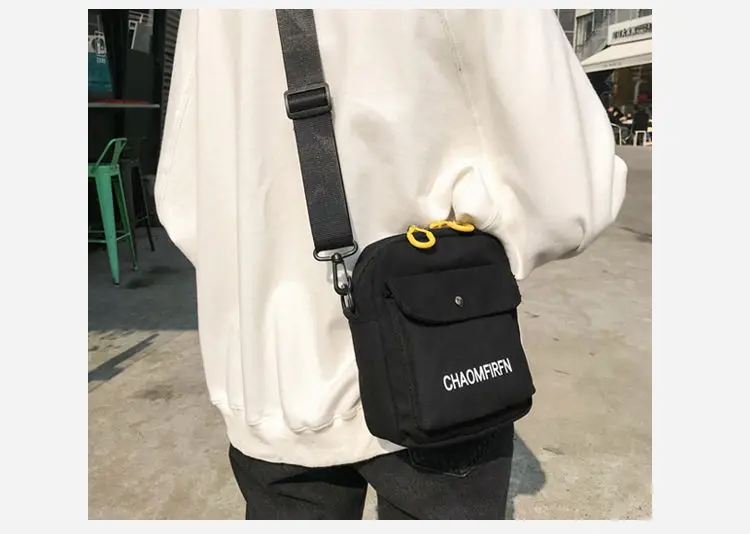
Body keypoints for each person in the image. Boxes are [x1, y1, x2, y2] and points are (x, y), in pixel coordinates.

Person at [155, 9, 627, 520]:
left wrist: (265, 269)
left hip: (270, 374)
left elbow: (187, 201)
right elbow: (568, 194)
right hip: (436, 354)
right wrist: (474, 237)